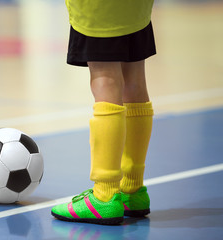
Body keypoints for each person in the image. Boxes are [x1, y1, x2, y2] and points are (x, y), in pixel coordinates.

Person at [51, 0, 156, 225]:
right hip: (136, 7)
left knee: (105, 78)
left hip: (100, 6)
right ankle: (132, 189)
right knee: (135, 80)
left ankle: (105, 194)